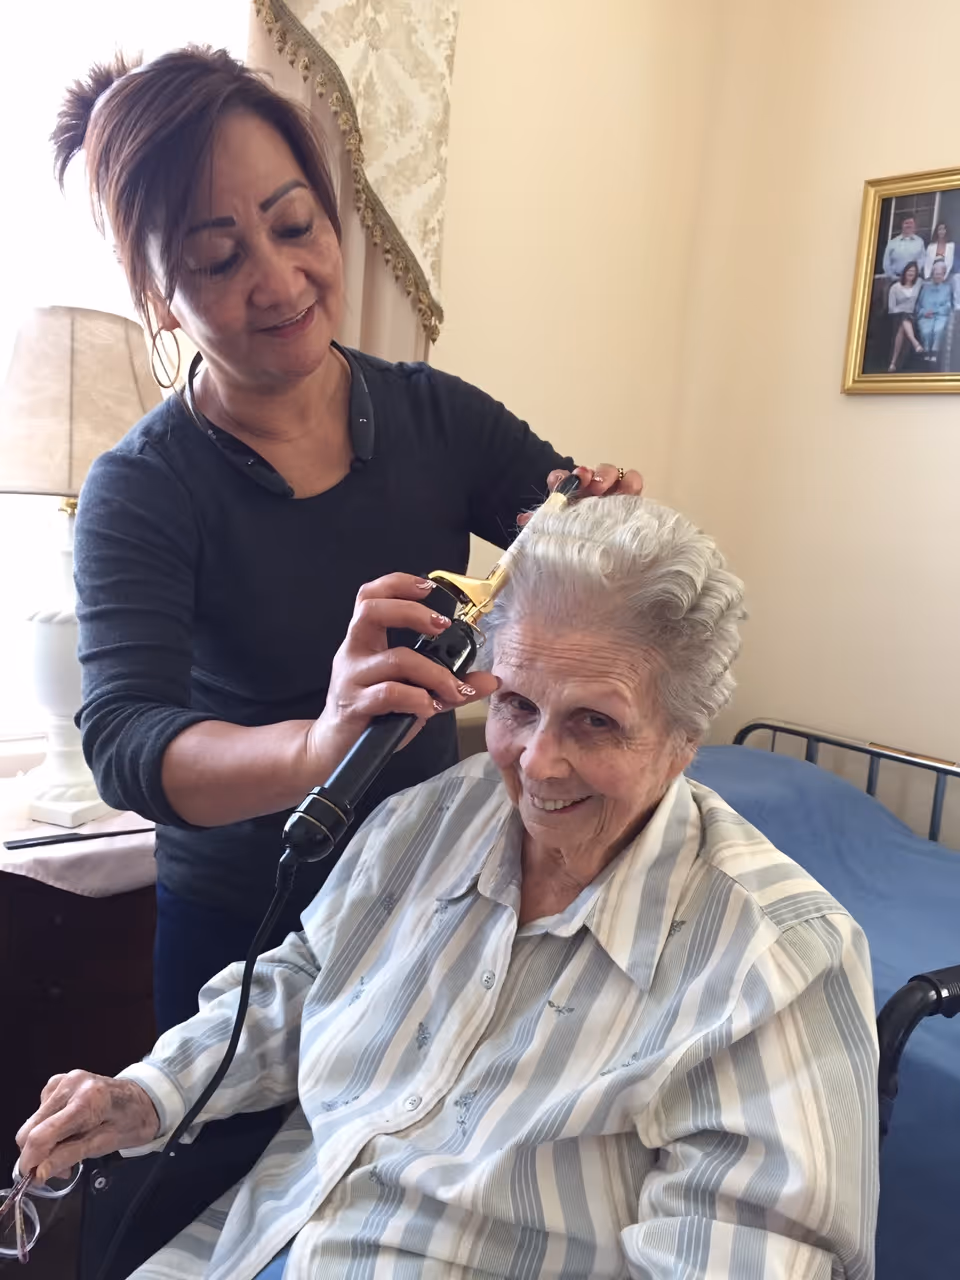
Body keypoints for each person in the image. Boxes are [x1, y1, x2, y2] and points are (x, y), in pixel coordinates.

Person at [16, 495, 879, 1280]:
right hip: (248, 1247)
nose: (537, 763)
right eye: (515, 706)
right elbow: (308, 981)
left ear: (686, 737)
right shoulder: (432, 817)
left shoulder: (777, 962)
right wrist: (148, 1093)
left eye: (596, 721)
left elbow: (750, 1255)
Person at [54, 47, 643, 1034]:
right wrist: (319, 745)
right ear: (160, 296)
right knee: (227, 1187)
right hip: (237, 927)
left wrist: (597, 518)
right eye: (217, 257)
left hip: (423, 901)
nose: (280, 279)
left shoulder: (438, 416)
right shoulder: (142, 487)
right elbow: (125, 740)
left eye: (296, 225)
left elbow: (562, 536)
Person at [914, 259, 953, 362]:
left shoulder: (947, 288)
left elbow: (948, 304)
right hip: (925, 315)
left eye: (940, 274)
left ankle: (934, 353)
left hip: (941, 315)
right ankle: (927, 353)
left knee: (938, 330)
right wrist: (923, 312)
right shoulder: (925, 287)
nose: (937, 276)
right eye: (935, 274)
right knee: (926, 331)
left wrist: (936, 311)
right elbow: (919, 304)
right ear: (932, 273)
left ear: (944, 275)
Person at [887, 260, 923, 370]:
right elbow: (891, 308)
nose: (911, 273)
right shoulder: (895, 288)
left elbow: (934, 281)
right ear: (905, 272)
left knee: (904, 323)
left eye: (913, 271)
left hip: (913, 315)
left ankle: (893, 363)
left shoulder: (919, 283)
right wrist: (902, 310)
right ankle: (915, 343)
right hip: (897, 315)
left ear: (916, 273)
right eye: (909, 271)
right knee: (903, 320)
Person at [882, 213, 926, 280]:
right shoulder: (892, 242)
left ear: (914, 225)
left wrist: (914, 273)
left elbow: (922, 259)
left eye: (911, 223)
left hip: (913, 280)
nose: (908, 225)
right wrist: (892, 276)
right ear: (902, 225)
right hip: (895, 279)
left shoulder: (920, 242)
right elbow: (886, 262)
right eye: (906, 223)